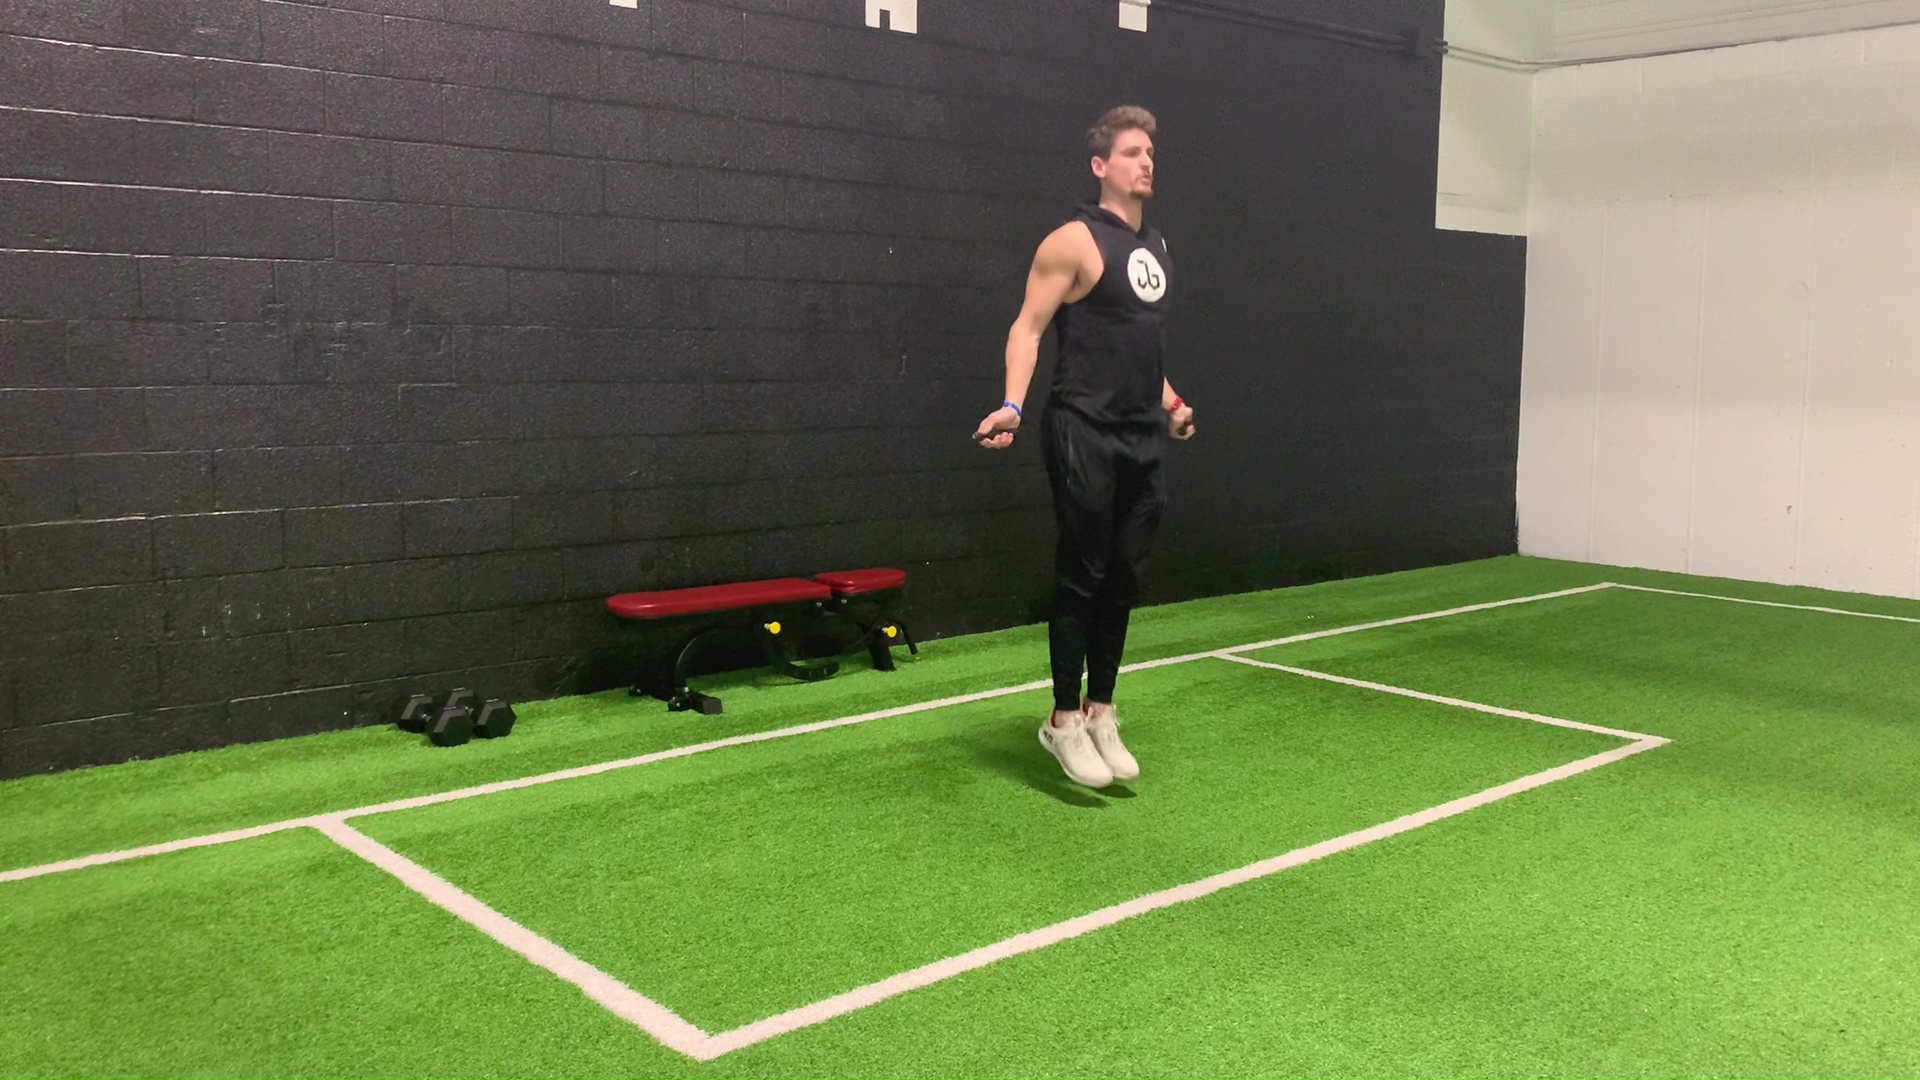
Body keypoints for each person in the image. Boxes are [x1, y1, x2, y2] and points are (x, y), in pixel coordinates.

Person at [973, 105, 1196, 789]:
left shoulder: (1157, 246)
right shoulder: (1071, 240)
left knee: (1124, 574)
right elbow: (1028, 328)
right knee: (1084, 573)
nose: (1146, 161)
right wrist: (1013, 403)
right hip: (1082, 429)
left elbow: (1136, 344)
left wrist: (1171, 403)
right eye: (1131, 152)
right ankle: (1063, 719)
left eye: (1150, 151)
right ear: (1100, 166)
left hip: (1140, 433)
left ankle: (1101, 710)